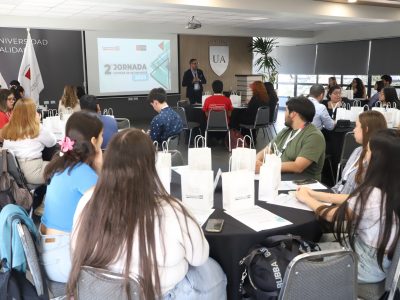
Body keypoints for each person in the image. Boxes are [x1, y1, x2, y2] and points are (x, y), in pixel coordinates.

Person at [67, 129, 227, 299]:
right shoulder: (171, 210)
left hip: (97, 293)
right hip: (156, 294)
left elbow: (75, 248)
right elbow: (199, 256)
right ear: (151, 165)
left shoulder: (87, 200)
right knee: (212, 271)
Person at [296, 129, 400, 283]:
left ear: (378, 159)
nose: (363, 155)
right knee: (317, 243)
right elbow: (352, 198)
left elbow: (333, 216)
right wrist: (315, 194)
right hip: (380, 258)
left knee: (301, 263)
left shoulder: (373, 194)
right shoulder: (390, 185)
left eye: (367, 151)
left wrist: (306, 198)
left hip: (368, 263)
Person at [40, 111, 103, 282]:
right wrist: (99, 165)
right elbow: (110, 206)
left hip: (52, 254)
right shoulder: (82, 172)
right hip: (65, 260)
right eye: (101, 136)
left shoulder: (63, 166)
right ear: (93, 141)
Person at [297, 110, 387, 205]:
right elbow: (341, 183)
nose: (353, 130)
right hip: (335, 197)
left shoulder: (376, 161)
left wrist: (315, 196)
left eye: (356, 126)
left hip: (347, 207)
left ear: (366, 129)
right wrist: (319, 195)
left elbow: (358, 200)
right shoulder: (358, 151)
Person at [256, 96, 326, 180]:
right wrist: (256, 161)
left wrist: (265, 167)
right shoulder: (286, 131)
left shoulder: (314, 136)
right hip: (279, 177)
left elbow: (298, 167)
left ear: (293, 114)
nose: (284, 114)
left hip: (301, 184)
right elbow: (267, 150)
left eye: (286, 110)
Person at [2, 98, 56, 185]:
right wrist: (38, 123)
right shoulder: (36, 128)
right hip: (34, 172)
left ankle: (40, 194)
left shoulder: (8, 129)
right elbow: (52, 142)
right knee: (61, 167)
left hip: (15, 174)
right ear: (32, 113)